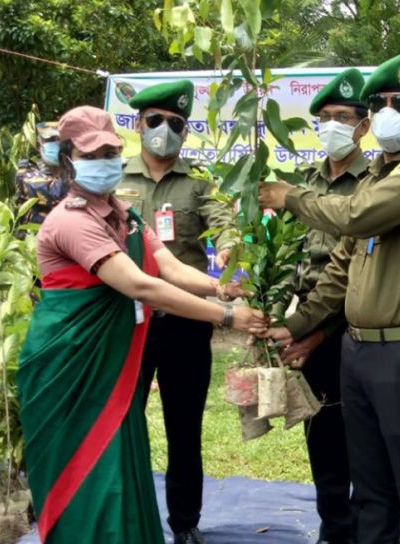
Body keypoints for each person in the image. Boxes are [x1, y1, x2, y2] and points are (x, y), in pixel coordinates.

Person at [17, 106, 266, 544]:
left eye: (112, 150)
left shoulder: (125, 216)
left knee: (121, 457)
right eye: (94, 153)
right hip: (73, 364)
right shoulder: (72, 221)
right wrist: (227, 316)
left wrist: (224, 289)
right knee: (87, 470)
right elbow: (141, 285)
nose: (107, 160)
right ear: (69, 159)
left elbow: (167, 266)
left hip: (113, 360)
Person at [259, 51, 400, 544]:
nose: (391, 110)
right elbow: (339, 270)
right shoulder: (374, 178)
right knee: (370, 489)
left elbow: (354, 217)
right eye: (382, 102)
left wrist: (290, 197)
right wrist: (298, 324)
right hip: (358, 350)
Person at [115, 80, 235, 544]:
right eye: (155, 121)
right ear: (138, 124)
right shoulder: (115, 179)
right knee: (125, 423)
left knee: (184, 427)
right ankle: (127, 517)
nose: (164, 130)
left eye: (175, 123)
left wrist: (228, 250)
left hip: (185, 322)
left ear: (185, 130)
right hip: (127, 323)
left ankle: (184, 523)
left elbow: (225, 224)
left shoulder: (199, 182)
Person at [274, 68, 370, 544]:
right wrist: (279, 317)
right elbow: (291, 254)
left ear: (363, 125)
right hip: (308, 320)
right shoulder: (305, 182)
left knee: (365, 437)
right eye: (325, 117)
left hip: (354, 326)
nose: (333, 124)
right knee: (323, 433)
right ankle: (335, 527)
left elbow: (354, 269)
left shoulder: (375, 182)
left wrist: (314, 332)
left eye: (344, 117)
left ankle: (366, 525)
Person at [14, 121, 69, 229]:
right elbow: (55, 193)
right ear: (39, 144)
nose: (56, 144)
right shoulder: (27, 172)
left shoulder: (71, 171)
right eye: (50, 140)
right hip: (33, 241)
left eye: (60, 140)